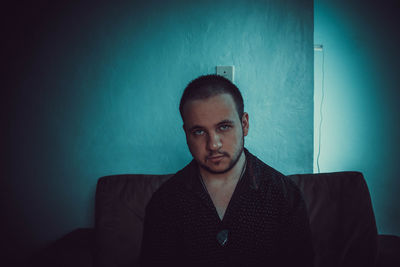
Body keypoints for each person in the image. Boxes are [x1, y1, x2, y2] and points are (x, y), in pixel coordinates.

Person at [139, 75, 314, 267]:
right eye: (199, 131)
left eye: (224, 127)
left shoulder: (285, 196)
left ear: (244, 124)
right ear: (186, 133)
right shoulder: (165, 202)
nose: (213, 144)